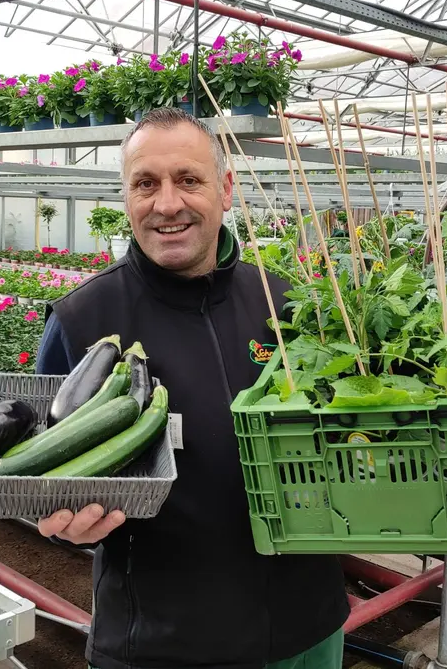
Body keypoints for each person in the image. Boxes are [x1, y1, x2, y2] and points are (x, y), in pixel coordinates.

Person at [34, 107, 349, 669]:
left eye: (188, 180)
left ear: (226, 189)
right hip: (163, 646)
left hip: (308, 630)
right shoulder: (83, 320)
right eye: (145, 184)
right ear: (125, 197)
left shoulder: (290, 306)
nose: (167, 204)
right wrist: (61, 524)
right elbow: (45, 468)